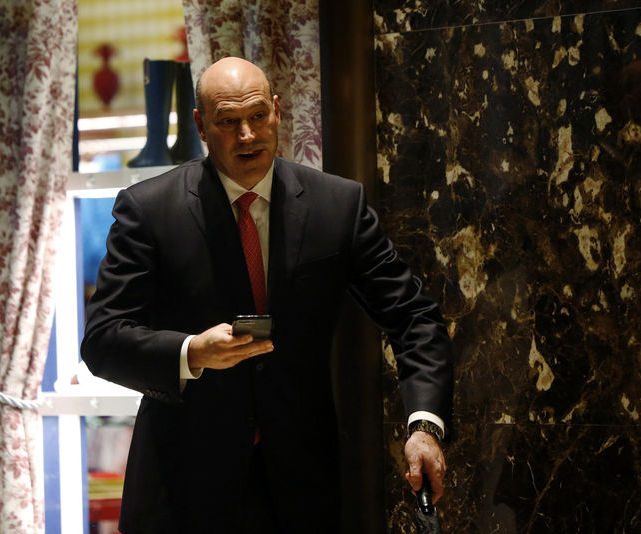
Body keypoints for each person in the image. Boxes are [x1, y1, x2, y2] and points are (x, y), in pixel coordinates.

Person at [81, 57, 454, 533]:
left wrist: (425, 426)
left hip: (302, 489)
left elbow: (414, 318)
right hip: (182, 490)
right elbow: (103, 339)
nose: (247, 136)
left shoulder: (336, 206)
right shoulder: (149, 210)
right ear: (200, 125)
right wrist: (191, 352)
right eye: (228, 122)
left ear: (277, 111)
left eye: (258, 116)